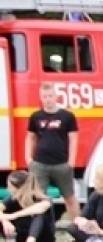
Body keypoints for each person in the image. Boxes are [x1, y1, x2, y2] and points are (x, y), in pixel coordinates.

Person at [26, 81, 80, 222]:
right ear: (41, 98)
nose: (48, 99)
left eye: (50, 96)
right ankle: (40, 230)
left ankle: (78, 229)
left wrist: (71, 161)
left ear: (56, 96)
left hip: (62, 164)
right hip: (40, 164)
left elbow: (73, 138)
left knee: (70, 198)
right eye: (45, 96)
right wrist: (28, 159)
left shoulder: (67, 116)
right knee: (39, 199)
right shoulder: (35, 116)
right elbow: (30, 137)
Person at [2, 170, 57, 242]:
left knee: (39, 214)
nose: (7, 189)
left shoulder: (42, 199)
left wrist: (13, 216)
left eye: (9, 186)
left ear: (18, 187)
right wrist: (5, 221)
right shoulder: (13, 199)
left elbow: (43, 207)